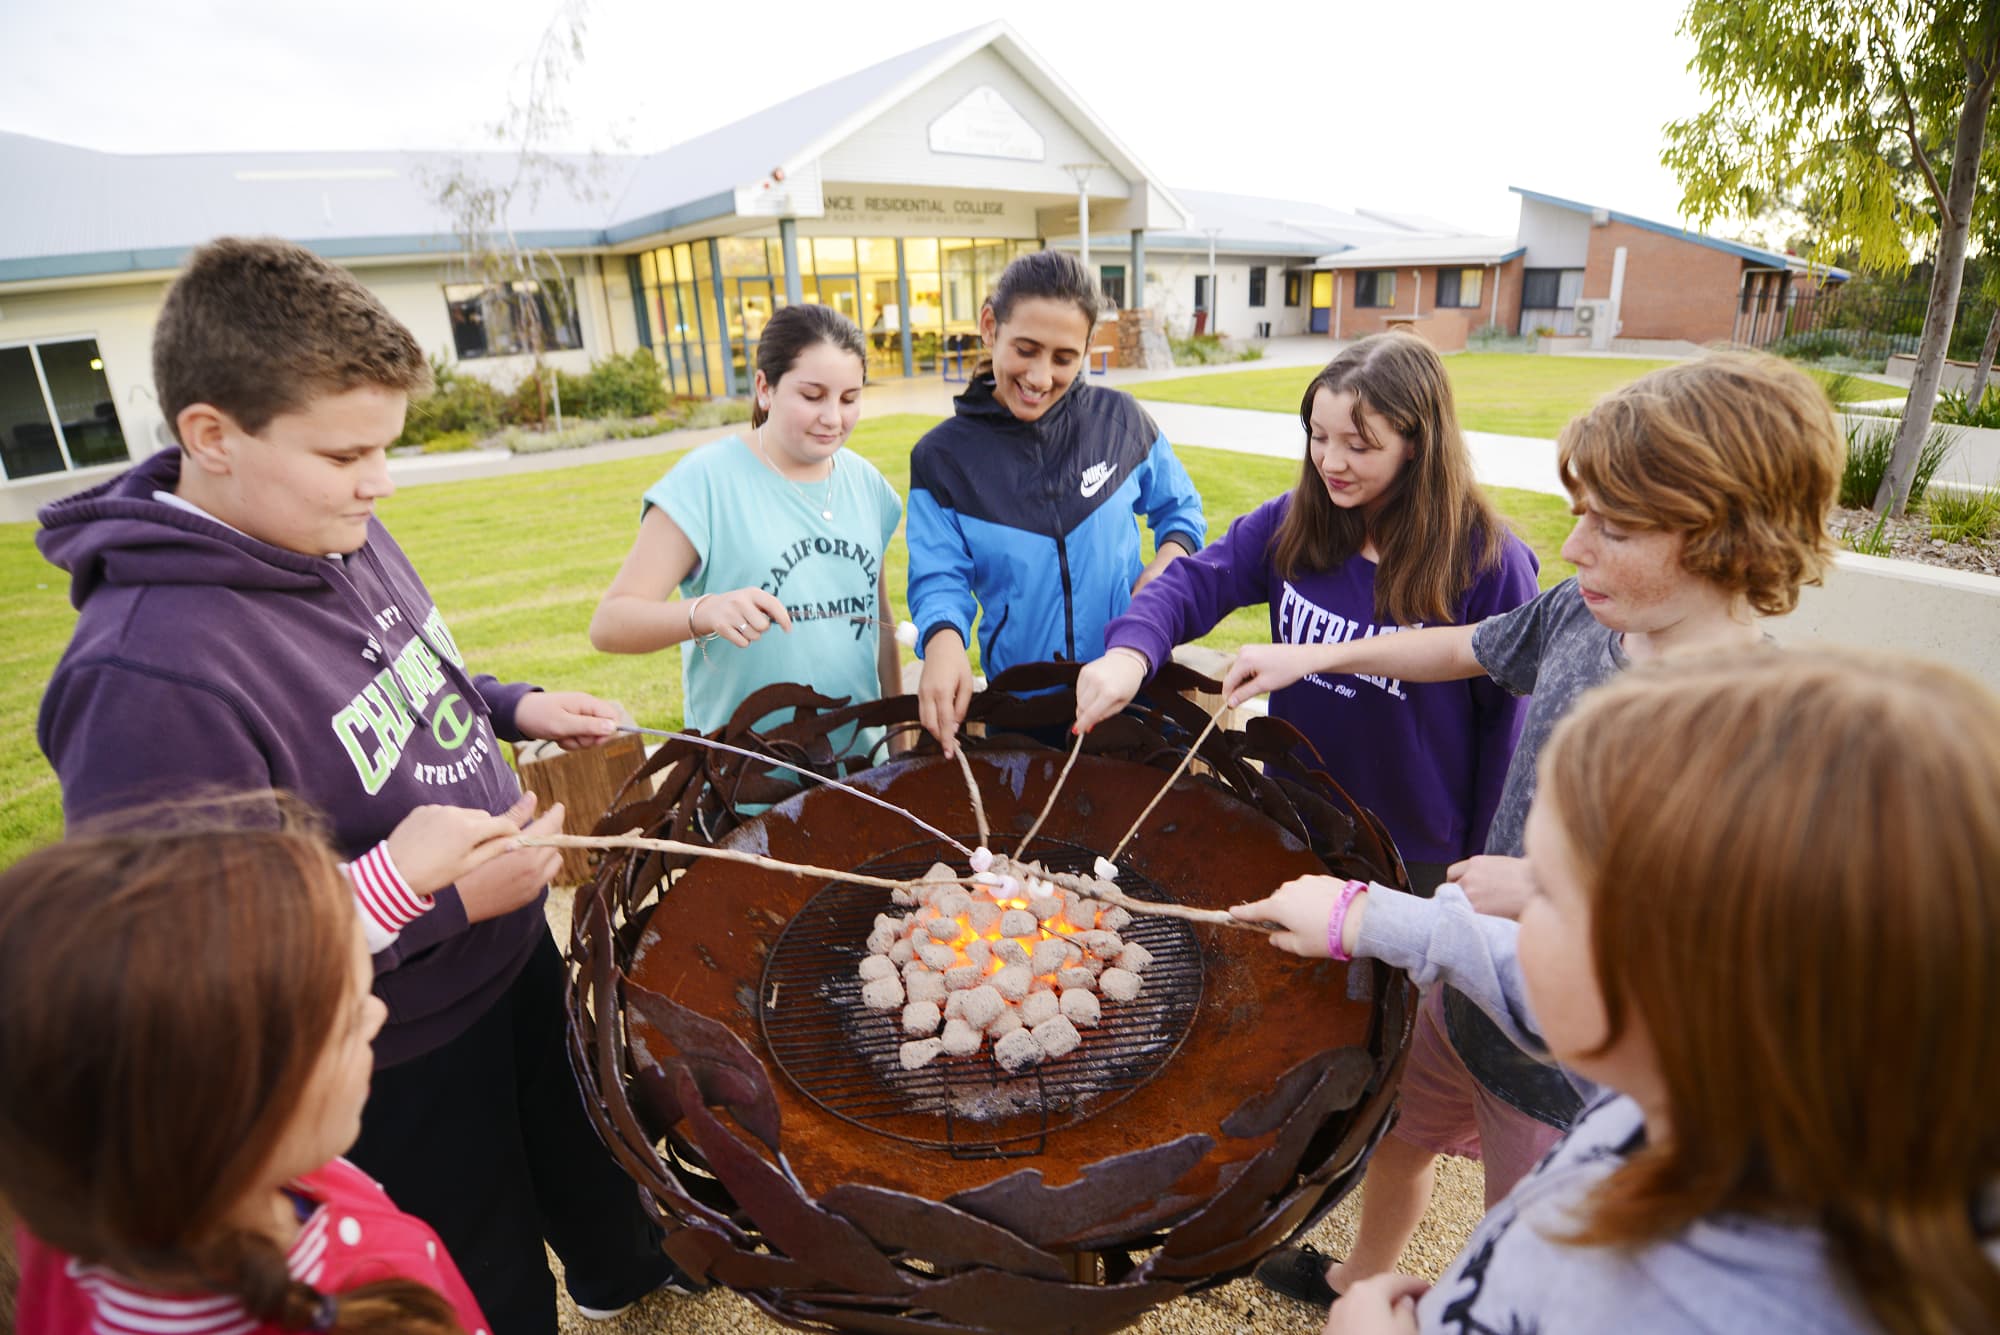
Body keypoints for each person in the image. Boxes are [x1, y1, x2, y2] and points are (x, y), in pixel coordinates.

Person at [34, 238, 683, 1333]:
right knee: (481, 1266)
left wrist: (508, 703)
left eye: (385, 449)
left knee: (583, 1149)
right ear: (212, 436)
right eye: (347, 456)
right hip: (393, 1037)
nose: (378, 483)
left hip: (507, 942)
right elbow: (196, 960)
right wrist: (421, 898)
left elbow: (401, 669)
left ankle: (631, 1273)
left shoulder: (327, 523)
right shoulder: (145, 676)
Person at [1223, 353, 1845, 1305]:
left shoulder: (1761, 732)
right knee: (1402, 1132)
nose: (1575, 545)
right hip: (1465, 982)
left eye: (1614, 524)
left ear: (1727, 535)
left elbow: (1716, 944)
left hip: (1572, 1071)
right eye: (1582, 511)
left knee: (1527, 1226)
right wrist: (1311, 655)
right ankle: (1363, 1273)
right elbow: (1459, 646)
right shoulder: (1584, 618)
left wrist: (1554, 891)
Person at [1231, 646, 2000, 1335]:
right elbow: (1535, 980)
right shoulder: (1721, 1086)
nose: (1521, 918)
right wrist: (1360, 917)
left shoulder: (1649, 1300)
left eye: (1548, 896)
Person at [1073, 331, 1539, 891]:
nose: (1331, 461)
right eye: (1318, 437)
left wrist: (1489, 854)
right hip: (1295, 816)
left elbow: (1509, 730)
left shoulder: (1489, 563)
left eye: (1358, 446)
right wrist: (1130, 652)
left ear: (1416, 442)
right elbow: (1192, 585)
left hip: (1417, 851)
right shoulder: (1292, 521)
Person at [6, 810, 501, 1334]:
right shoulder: (370, 1291)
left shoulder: (75, 1225)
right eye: (352, 1016)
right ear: (230, 1108)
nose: (377, 1015)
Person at [908, 250, 1207, 755]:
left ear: (1088, 347)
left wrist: (1169, 562)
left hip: (1130, 686)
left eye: (1064, 358)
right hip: (1022, 712)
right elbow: (940, 577)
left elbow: (1181, 510)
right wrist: (942, 640)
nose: (1041, 377)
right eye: (1026, 349)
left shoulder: (1121, 422)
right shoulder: (942, 458)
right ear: (989, 326)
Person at [591, 303, 901, 761]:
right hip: (743, 783)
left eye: (849, 398)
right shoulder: (704, 482)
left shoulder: (868, 484)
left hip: (862, 772)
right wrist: (706, 611)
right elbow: (610, 624)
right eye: (812, 396)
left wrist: (899, 746)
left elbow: (879, 623)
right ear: (764, 388)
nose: (833, 417)